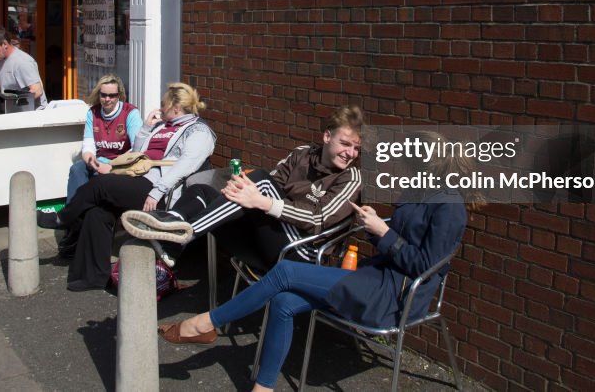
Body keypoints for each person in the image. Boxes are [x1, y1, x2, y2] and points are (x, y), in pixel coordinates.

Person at [156, 134, 486, 392]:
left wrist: (384, 232)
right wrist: (375, 227)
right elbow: (396, 241)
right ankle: (263, 387)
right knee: (284, 302)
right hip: (375, 278)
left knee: (285, 271)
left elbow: (424, 264)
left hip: (396, 296)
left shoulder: (449, 205)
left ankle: (205, 323)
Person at [122, 105, 365, 269]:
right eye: (345, 144)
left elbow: (318, 218)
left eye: (355, 148)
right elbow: (274, 182)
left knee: (258, 180)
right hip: (269, 238)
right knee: (203, 191)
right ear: (326, 137)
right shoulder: (301, 155)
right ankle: (171, 221)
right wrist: (243, 193)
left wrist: (263, 202)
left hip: (301, 252)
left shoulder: (350, 178)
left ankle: (180, 237)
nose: (350, 153)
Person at [37, 82, 215, 291]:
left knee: (100, 186)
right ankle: (90, 278)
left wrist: (156, 192)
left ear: (176, 108)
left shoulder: (199, 131)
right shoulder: (161, 126)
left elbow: (186, 166)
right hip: (138, 179)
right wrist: (147, 128)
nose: (160, 108)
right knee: (97, 211)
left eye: (163, 104)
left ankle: (63, 218)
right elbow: (136, 154)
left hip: (159, 190)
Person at [66, 74, 144, 202]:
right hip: (99, 162)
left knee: (103, 180)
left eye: (112, 96)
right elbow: (88, 145)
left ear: (119, 95)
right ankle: (72, 213)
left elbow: (137, 147)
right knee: (77, 169)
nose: (107, 99)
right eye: (103, 95)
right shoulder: (93, 112)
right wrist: (90, 160)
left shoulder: (130, 113)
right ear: (99, 94)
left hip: (123, 164)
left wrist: (113, 167)